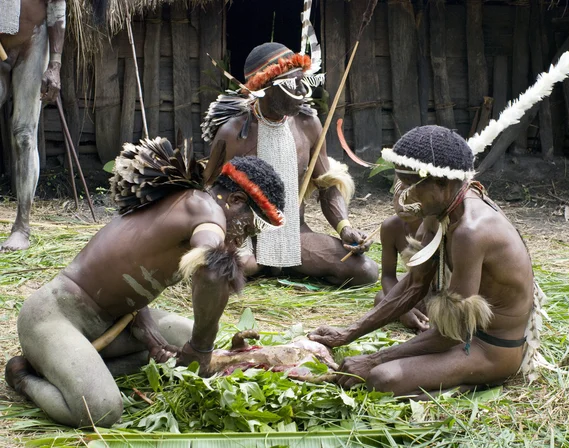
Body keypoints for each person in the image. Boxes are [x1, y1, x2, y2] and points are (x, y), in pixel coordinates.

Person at [4, 137, 287, 428]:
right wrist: (200, 350)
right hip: (56, 315)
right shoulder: (205, 210)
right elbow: (213, 270)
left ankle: (87, 369)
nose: (244, 237)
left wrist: (147, 326)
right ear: (236, 200)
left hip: (117, 322)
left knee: (188, 336)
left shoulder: (190, 202)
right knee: (101, 411)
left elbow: (129, 266)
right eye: (250, 226)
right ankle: (24, 377)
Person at [309, 125, 547, 397]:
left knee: (381, 378)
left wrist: (375, 359)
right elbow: (414, 284)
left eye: (411, 187)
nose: (404, 196)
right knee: (381, 341)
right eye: (401, 184)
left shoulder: (471, 232)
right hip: (462, 336)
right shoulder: (439, 209)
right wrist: (347, 334)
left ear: (443, 183)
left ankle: (469, 383)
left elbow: (451, 332)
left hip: (490, 349)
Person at [201, 42, 378, 286]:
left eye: (301, 80)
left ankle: (282, 265)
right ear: (265, 88)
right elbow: (207, 195)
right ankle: (257, 265)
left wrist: (345, 228)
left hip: (295, 234)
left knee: (366, 271)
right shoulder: (233, 134)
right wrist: (229, 235)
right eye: (291, 84)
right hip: (245, 236)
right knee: (220, 270)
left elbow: (327, 187)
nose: (302, 91)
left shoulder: (308, 124)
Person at [0, 0, 66, 251]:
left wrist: (55, 65)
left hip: (33, 40)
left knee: (24, 135)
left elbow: (57, 7)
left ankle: (21, 228)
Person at [376, 214, 429, 333]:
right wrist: (401, 310)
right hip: (418, 279)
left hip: (446, 282)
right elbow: (388, 276)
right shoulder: (391, 226)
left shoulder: (443, 221)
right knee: (381, 299)